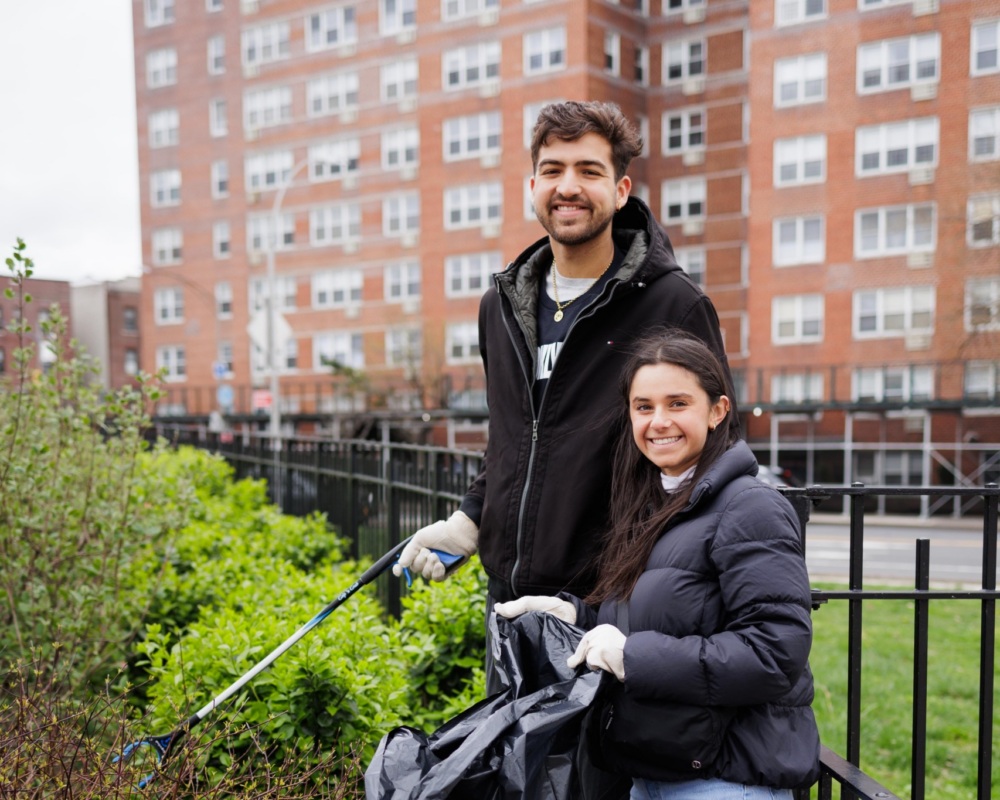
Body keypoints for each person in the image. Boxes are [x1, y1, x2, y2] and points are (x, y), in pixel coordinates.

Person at [393, 100, 735, 655]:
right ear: (533, 185)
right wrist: (472, 520)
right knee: (511, 743)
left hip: (614, 604)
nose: (567, 186)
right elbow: (513, 438)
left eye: (589, 171)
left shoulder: (674, 303)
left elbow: (715, 453)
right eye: (553, 170)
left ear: (621, 189)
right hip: (507, 599)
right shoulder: (500, 306)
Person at [495, 330, 820, 798]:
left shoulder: (750, 507)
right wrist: (574, 617)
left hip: (725, 780)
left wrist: (631, 657)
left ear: (717, 411)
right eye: (643, 407)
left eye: (677, 404)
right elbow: (660, 620)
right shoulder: (656, 505)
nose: (658, 421)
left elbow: (773, 654)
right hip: (655, 774)